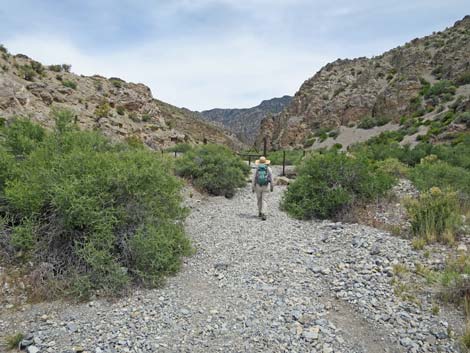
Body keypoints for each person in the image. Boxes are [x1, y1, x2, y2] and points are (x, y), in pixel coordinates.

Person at [252, 156, 274, 220]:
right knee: (264, 200)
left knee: (259, 199)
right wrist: (272, 187)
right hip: (266, 186)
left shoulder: (257, 169)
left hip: (258, 186)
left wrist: (253, 187)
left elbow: (253, 179)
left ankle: (259, 212)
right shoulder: (269, 169)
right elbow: (272, 179)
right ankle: (264, 213)